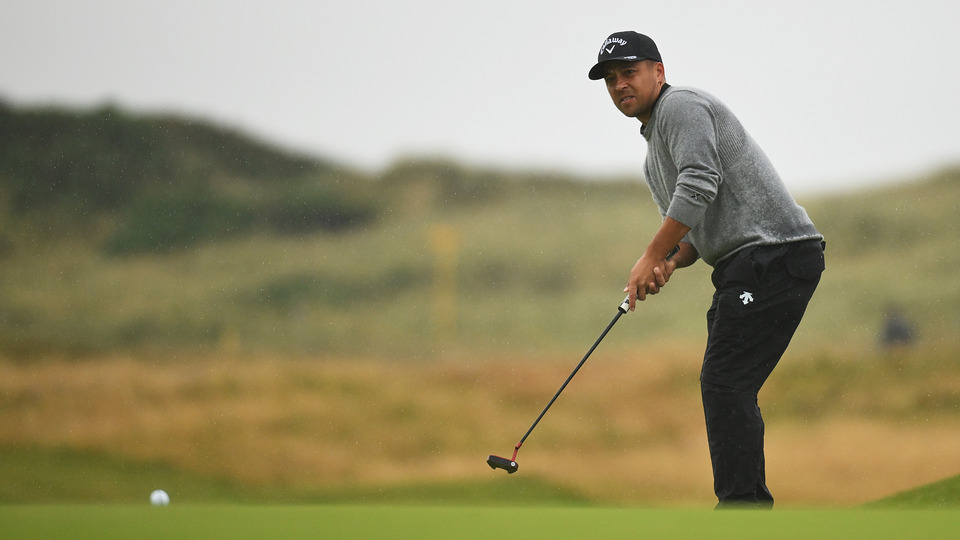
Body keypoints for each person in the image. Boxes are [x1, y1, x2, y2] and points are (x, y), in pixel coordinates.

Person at [587, 31, 825, 508]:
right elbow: (691, 237)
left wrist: (652, 255)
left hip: (776, 253)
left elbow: (700, 182)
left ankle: (741, 509)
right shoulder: (653, 153)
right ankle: (748, 507)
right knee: (728, 381)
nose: (619, 86)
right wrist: (670, 261)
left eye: (629, 73)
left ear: (659, 71)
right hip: (748, 264)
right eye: (611, 79)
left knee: (725, 380)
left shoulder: (682, 108)